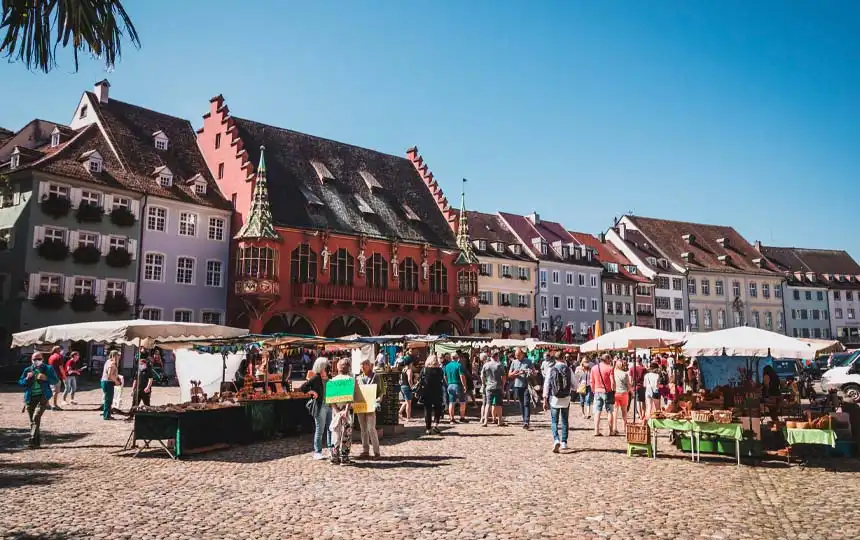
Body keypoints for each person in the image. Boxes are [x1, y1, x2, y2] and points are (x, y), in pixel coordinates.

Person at [19, 352, 58, 448]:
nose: (36, 361)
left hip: (43, 396)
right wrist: (27, 379)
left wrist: (46, 378)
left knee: (36, 417)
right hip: (30, 397)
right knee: (33, 421)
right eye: (34, 359)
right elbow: (20, 382)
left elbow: (55, 380)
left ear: (42, 359)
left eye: (39, 359)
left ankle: (32, 440)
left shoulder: (48, 368)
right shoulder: (28, 369)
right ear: (31, 360)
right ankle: (37, 442)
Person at [300, 357, 332, 460]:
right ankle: (317, 452)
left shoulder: (330, 377)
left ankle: (332, 450)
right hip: (320, 406)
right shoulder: (316, 378)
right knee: (320, 429)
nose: (327, 368)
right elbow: (303, 387)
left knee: (331, 429)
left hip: (330, 406)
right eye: (325, 366)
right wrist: (312, 392)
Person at [543, 354, 574, 453]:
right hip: (566, 398)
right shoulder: (568, 369)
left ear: (555, 359)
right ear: (563, 358)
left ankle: (556, 439)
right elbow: (575, 384)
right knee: (565, 420)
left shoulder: (551, 369)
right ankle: (564, 442)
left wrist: (545, 398)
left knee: (554, 421)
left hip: (554, 398)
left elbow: (547, 384)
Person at [329, 358, 355, 465]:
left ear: (338, 368)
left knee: (336, 432)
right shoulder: (349, 380)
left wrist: (337, 410)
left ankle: (334, 457)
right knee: (346, 433)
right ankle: (344, 457)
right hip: (346, 411)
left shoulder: (333, 381)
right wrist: (346, 410)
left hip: (336, 411)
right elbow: (350, 397)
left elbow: (330, 399)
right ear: (348, 367)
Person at [356, 358, 382, 458]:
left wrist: (378, 401)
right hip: (361, 406)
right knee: (363, 429)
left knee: (371, 428)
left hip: (371, 406)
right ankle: (365, 450)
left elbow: (380, 392)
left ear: (369, 365)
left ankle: (376, 452)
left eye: (365, 364)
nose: (363, 366)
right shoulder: (358, 378)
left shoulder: (376, 377)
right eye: (361, 365)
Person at [418, 354, 446, 435]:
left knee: (428, 410)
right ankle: (436, 425)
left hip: (427, 391)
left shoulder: (424, 370)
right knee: (438, 408)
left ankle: (428, 428)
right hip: (437, 391)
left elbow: (420, 380)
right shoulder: (440, 370)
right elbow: (441, 379)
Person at [590, 354, 616, 436]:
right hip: (607, 391)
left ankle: (596, 431)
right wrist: (613, 390)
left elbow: (591, 381)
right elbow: (612, 382)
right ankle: (611, 431)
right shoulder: (610, 368)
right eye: (610, 359)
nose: (611, 361)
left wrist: (593, 390)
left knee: (597, 411)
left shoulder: (594, 368)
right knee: (609, 411)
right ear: (607, 359)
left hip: (597, 391)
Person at [508, 348, 534, 429]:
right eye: (516, 355)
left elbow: (534, 372)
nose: (517, 357)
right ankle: (524, 420)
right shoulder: (514, 362)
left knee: (526, 402)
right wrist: (515, 373)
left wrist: (527, 371)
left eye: (518, 355)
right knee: (521, 403)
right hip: (517, 385)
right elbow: (509, 375)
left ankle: (526, 421)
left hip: (526, 385)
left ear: (522, 354)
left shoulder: (528, 361)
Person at [480, 351, 506, 427]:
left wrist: (484, 383)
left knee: (488, 404)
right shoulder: (499, 365)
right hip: (498, 386)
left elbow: (482, 376)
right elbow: (504, 377)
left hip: (488, 386)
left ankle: (485, 421)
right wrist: (503, 386)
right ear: (497, 356)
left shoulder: (486, 365)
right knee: (498, 404)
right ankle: (500, 421)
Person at [443, 352, 468, 423]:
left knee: (451, 402)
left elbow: (444, 376)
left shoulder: (447, 366)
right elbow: (462, 376)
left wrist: (448, 383)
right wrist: (464, 385)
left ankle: (452, 419)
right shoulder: (459, 365)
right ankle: (462, 417)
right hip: (458, 385)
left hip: (450, 385)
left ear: (451, 358)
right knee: (462, 402)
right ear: (457, 358)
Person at [100, 350, 122, 420]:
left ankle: (106, 413)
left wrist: (117, 377)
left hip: (105, 382)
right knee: (108, 400)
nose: (119, 357)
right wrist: (116, 381)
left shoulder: (108, 361)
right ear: (115, 356)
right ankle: (107, 415)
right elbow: (109, 375)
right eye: (118, 355)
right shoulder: (112, 363)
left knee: (107, 399)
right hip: (108, 382)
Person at [613, 360, 631, 434]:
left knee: (615, 412)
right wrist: (631, 392)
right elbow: (628, 386)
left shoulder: (613, 373)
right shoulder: (625, 374)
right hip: (624, 394)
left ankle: (614, 428)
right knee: (624, 411)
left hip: (615, 393)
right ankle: (625, 427)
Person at [762, 364, 782, 428]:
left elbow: (767, 386)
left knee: (772, 412)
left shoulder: (766, 376)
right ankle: (777, 426)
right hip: (778, 395)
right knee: (774, 412)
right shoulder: (776, 376)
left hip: (771, 396)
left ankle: (777, 427)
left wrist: (765, 395)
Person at [398, 349, 415, 422]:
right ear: (410, 362)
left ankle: (399, 412)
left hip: (402, 386)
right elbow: (409, 380)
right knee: (409, 403)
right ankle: (408, 417)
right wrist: (412, 387)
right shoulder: (409, 370)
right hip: (407, 387)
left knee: (406, 401)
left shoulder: (403, 369)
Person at [47, 346, 66, 411]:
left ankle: (47, 404)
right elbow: (61, 368)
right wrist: (64, 376)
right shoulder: (59, 356)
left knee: (50, 391)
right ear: (58, 350)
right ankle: (54, 405)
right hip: (56, 376)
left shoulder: (51, 356)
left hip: (50, 375)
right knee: (55, 391)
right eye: (61, 349)